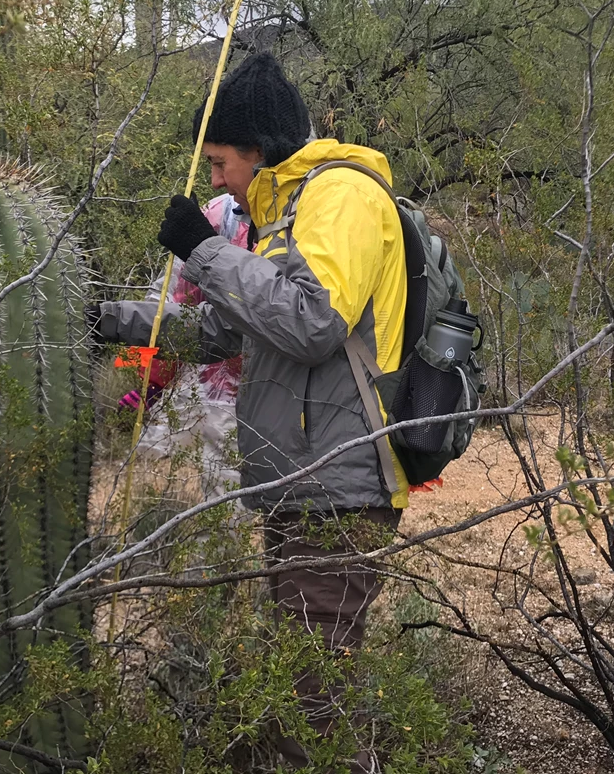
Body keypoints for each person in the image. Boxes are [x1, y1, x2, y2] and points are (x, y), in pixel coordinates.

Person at [91, 52, 409, 772]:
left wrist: (205, 251)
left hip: (337, 491)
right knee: (308, 699)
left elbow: (313, 321)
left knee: (316, 714)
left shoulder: (340, 198)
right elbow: (223, 333)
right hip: (302, 489)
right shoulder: (288, 216)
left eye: (221, 161)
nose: (214, 179)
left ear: (258, 155)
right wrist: (107, 318)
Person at [115, 192, 249, 503]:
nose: (217, 177)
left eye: (221, 163)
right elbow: (174, 307)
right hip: (208, 386)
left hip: (265, 390)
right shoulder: (220, 215)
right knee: (204, 486)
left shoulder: (299, 215)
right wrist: (151, 383)